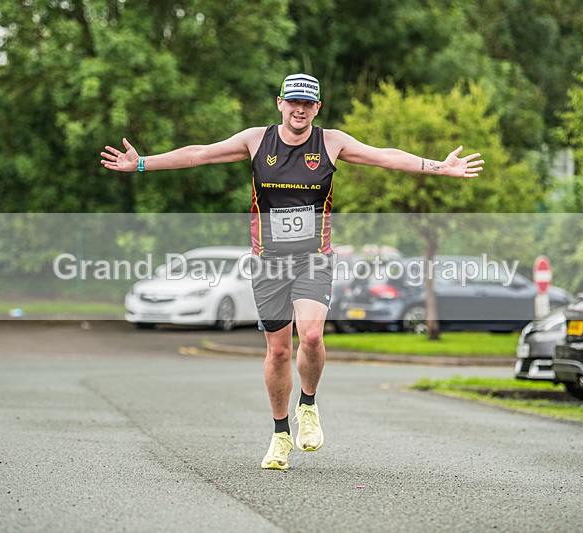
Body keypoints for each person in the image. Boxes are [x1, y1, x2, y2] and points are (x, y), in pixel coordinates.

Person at [100, 73, 483, 470]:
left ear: (317, 108)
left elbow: (385, 155)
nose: (300, 110)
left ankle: (309, 405)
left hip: (313, 259)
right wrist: (142, 163)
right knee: (279, 350)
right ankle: (280, 433)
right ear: (280, 103)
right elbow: (200, 153)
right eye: (293, 102)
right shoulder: (255, 140)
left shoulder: (332, 142)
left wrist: (440, 167)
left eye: (308, 104)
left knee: (313, 336)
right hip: (269, 263)